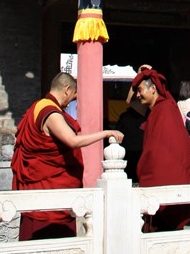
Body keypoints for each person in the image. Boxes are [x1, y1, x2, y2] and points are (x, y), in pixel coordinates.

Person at [11, 71, 123, 240]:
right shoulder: (50, 112)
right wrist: (105, 133)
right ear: (66, 89)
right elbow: (72, 141)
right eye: (72, 94)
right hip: (49, 195)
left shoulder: (38, 106)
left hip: (43, 188)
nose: (72, 99)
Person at [132, 67, 190, 231]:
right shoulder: (158, 109)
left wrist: (143, 170)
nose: (137, 95)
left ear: (153, 89)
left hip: (170, 187)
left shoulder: (165, 109)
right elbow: (132, 104)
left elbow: (160, 153)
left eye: (140, 90)